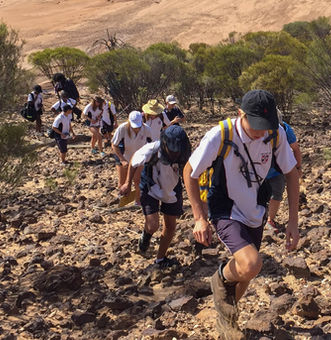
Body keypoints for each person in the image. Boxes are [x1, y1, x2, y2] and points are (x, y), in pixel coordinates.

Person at [184, 90, 300, 339]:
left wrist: (293, 221)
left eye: (265, 126)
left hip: (255, 208)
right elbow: (190, 171)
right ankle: (219, 279)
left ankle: (227, 317)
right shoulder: (221, 135)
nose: (260, 132)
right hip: (225, 207)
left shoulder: (275, 135)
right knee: (250, 264)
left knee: (247, 273)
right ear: (240, 114)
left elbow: (291, 173)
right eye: (256, 125)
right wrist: (199, 217)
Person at [128, 125, 192, 268]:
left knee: (170, 226)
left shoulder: (186, 153)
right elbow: (133, 161)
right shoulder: (151, 149)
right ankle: (146, 235)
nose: (174, 153)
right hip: (150, 185)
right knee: (153, 225)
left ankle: (160, 259)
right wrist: (127, 183)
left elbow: (190, 173)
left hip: (171, 188)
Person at [265, 110, 303, 234]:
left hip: (277, 168)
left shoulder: (285, 129)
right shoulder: (256, 132)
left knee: (276, 193)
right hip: (258, 169)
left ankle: (270, 220)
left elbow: (295, 148)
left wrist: (298, 167)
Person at [112, 110, 152, 202]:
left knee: (138, 181)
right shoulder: (122, 129)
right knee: (122, 183)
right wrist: (122, 160)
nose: (136, 128)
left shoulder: (147, 129)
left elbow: (151, 144)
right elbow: (114, 145)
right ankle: (123, 202)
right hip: (124, 157)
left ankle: (137, 202)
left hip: (139, 159)